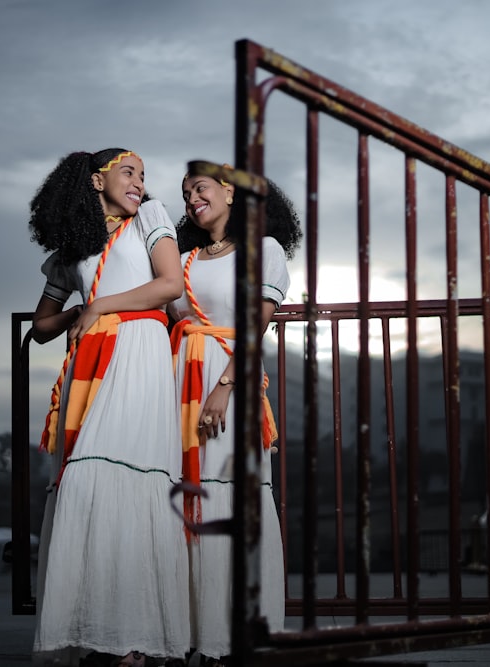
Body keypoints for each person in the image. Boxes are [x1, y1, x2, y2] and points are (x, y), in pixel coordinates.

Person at [28, 148, 190, 667]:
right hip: (90, 366)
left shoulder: (151, 217)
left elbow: (169, 286)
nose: (140, 181)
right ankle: (99, 632)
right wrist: (80, 308)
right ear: (97, 179)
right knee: (85, 483)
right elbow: (41, 326)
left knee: (134, 481)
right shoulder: (73, 247)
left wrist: (100, 304)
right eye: (129, 172)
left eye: (144, 174)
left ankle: (136, 643)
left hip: (139, 352)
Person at [169, 167, 302, 665]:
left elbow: (255, 325)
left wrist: (225, 388)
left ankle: (234, 639)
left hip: (227, 381)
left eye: (199, 189)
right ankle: (188, 635)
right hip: (178, 385)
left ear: (230, 191)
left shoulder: (263, 250)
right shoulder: (181, 260)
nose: (191, 199)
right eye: (185, 195)